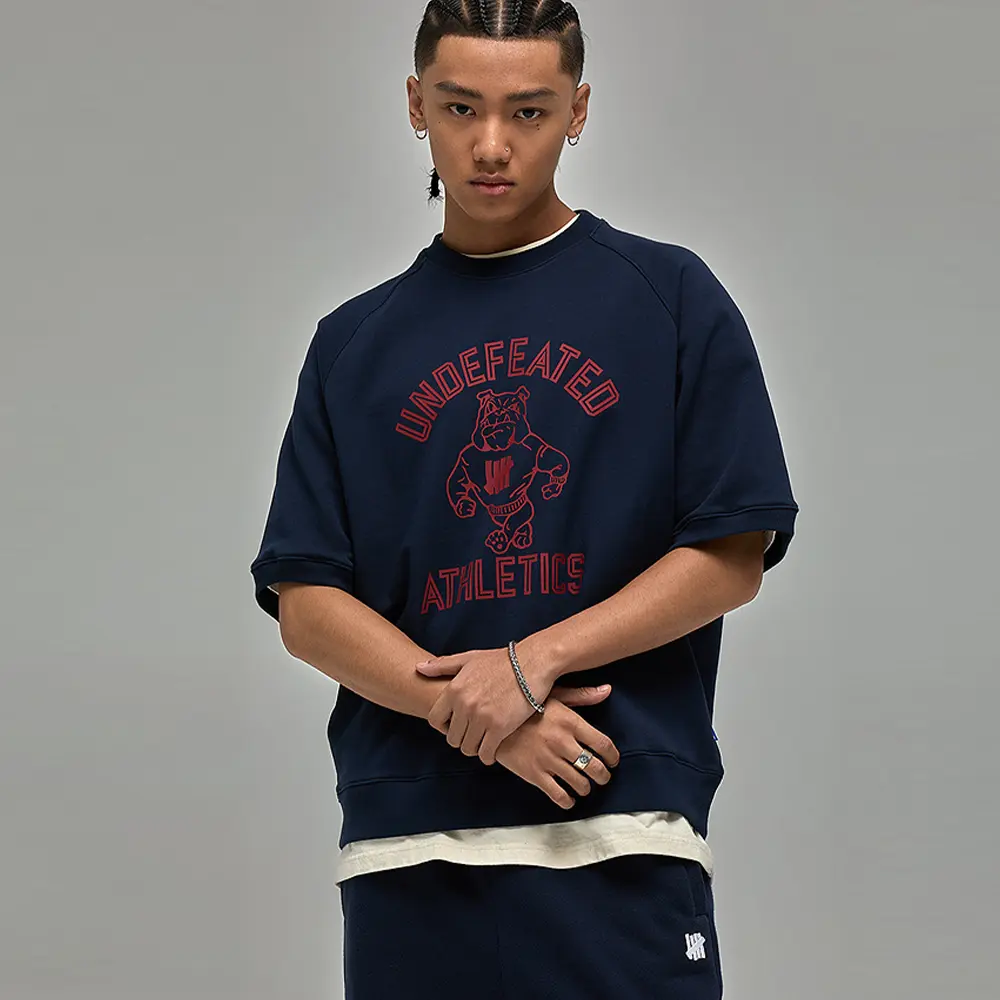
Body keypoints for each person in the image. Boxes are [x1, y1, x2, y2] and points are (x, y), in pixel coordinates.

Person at [249, 2, 798, 996]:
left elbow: (731, 552)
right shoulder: (351, 345)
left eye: (529, 111)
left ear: (578, 111)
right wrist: (476, 710)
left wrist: (531, 662)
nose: (491, 144)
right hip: (409, 847)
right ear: (414, 104)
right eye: (460, 107)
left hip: (615, 823)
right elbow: (308, 601)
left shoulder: (670, 299)